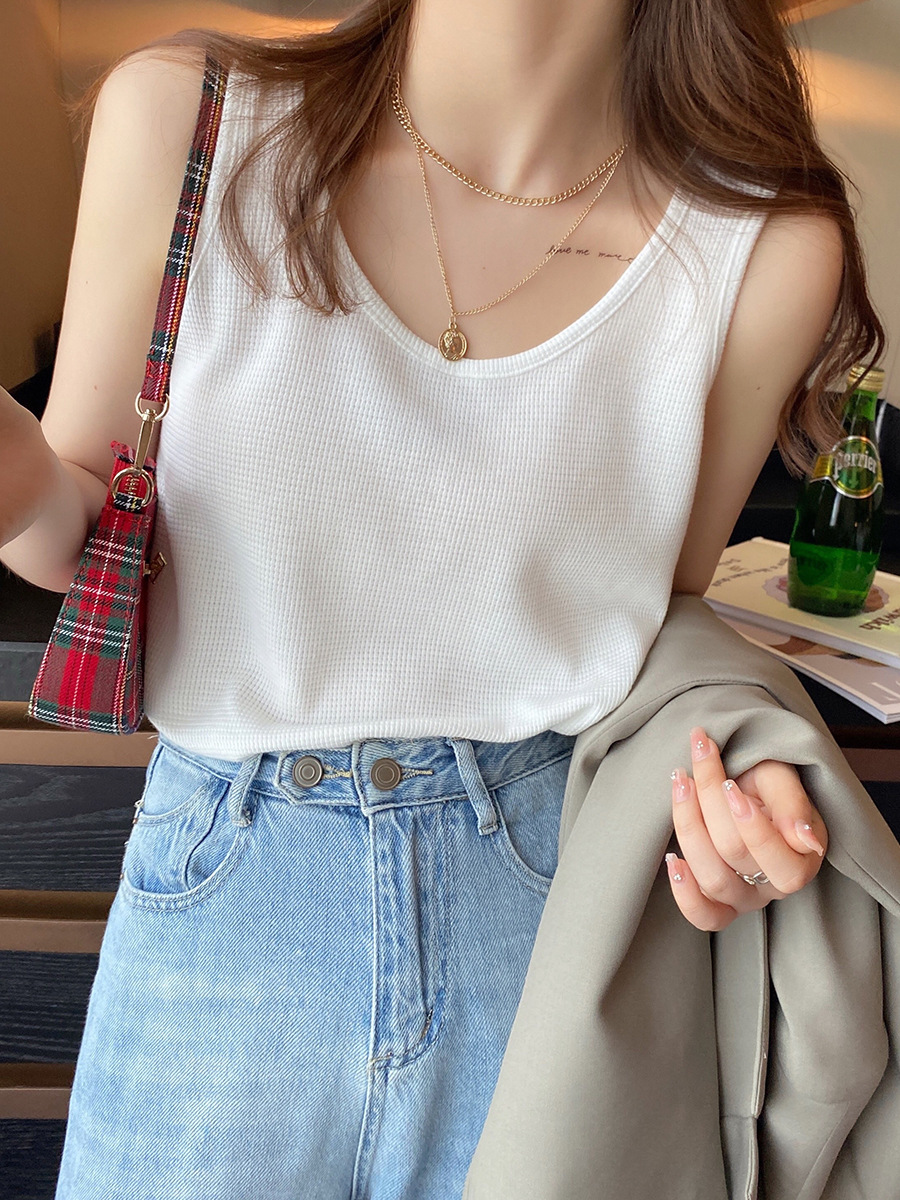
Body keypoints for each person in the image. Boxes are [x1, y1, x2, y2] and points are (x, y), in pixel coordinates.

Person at [0, 0, 884, 1196]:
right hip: (226, 896)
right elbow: (78, 527)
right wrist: (19, 484)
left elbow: (653, 622)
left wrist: (731, 759)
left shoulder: (762, 240)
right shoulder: (189, 116)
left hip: (549, 904)